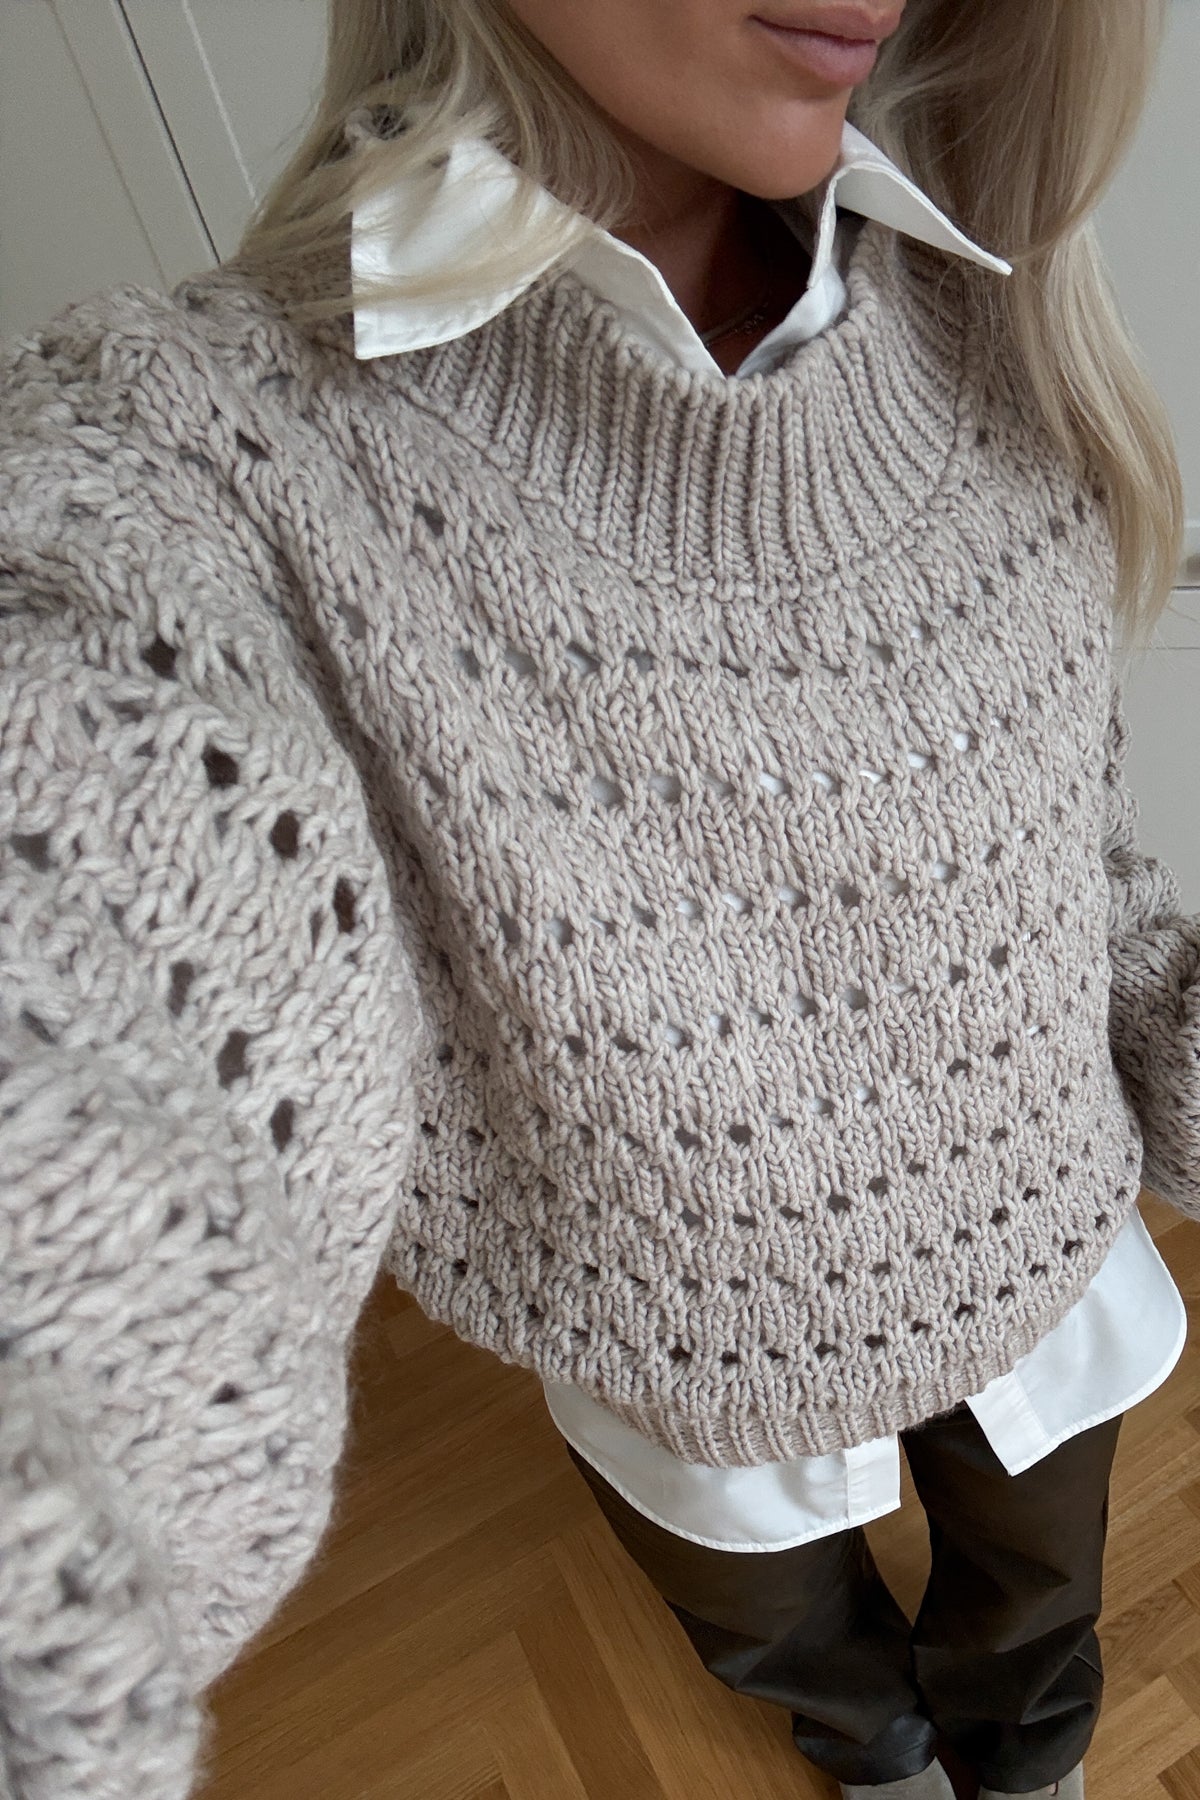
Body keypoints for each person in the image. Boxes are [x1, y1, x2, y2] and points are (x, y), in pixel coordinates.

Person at [0, 2, 1195, 1799]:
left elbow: (1067, 840)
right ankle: (875, 1761)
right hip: (676, 1342)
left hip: (1044, 1246)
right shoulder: (205, 451)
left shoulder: (1001, 305)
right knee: (784, 1641)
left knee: (1037, 1620)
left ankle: (1023, 1769)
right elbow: (88, 895)